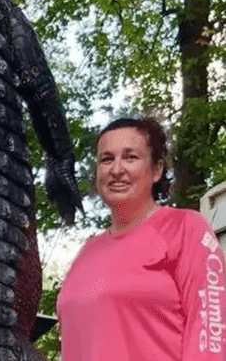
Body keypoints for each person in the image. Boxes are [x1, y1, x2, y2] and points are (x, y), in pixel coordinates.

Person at [57, 117, 226, 360]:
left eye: (131, 157)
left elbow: (210, 331)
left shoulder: (185, 228)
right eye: (106, 159)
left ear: (156, 170)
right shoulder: (87, 252)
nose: (116, 169)